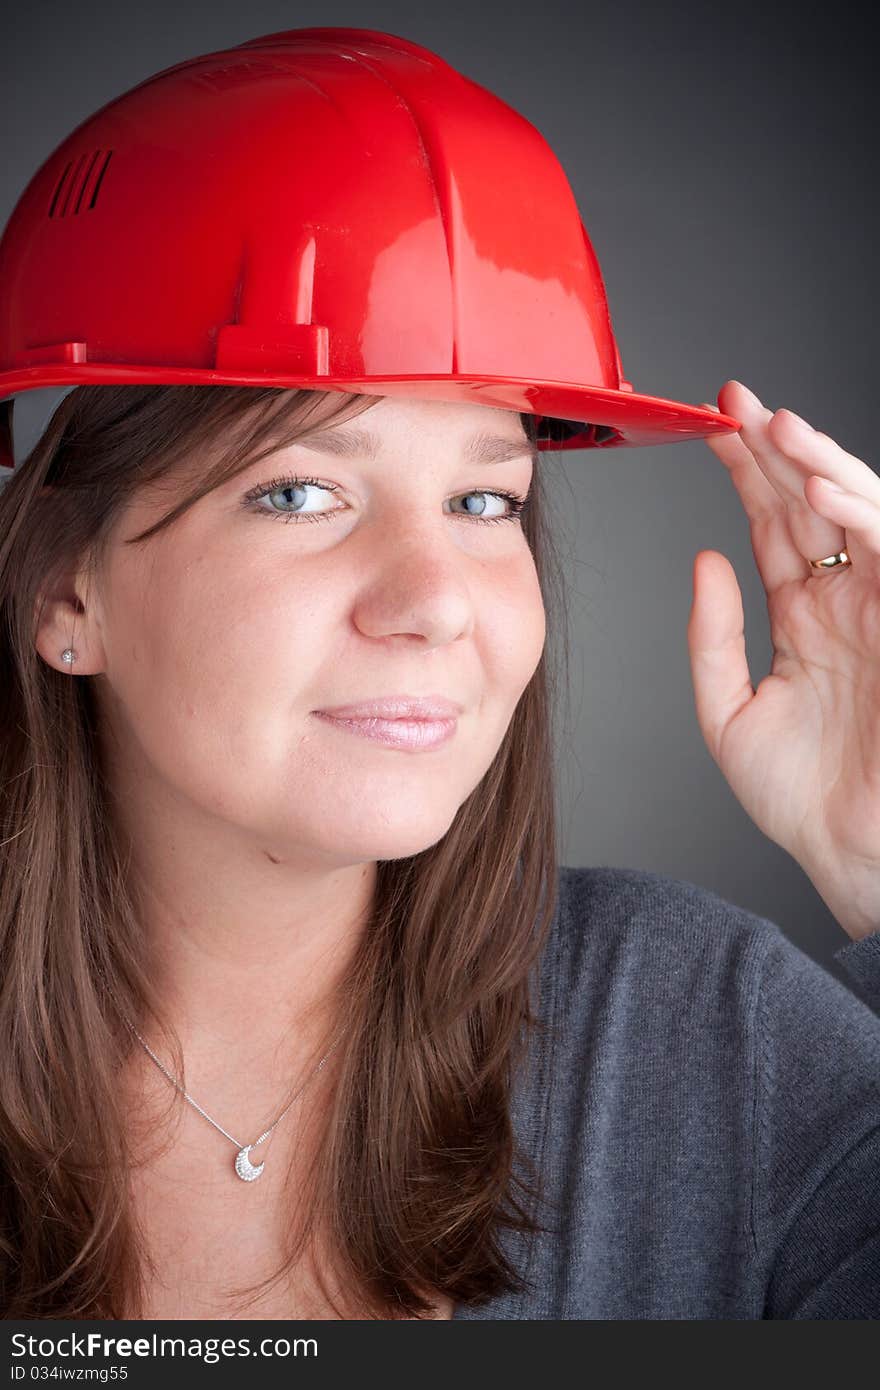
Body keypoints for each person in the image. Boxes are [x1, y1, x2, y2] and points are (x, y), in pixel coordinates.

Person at [1, 28, 879, 1321]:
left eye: (483, 498)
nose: (434, 603)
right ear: (65, 591)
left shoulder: (702, 1033)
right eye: (300, 490)